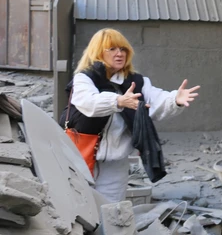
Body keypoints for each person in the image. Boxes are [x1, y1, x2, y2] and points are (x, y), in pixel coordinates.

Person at [62, 28, 200, 202]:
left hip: (115, 163)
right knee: (79, 205)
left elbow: (156, 102)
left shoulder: (136, 81)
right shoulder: (85, 78)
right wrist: (118, 101)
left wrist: (175, 99)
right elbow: (89, 102)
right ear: (97, 52)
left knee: (110, 209)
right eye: (112, 49)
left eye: (123, 49)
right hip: (82, 155)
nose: (119, 54)